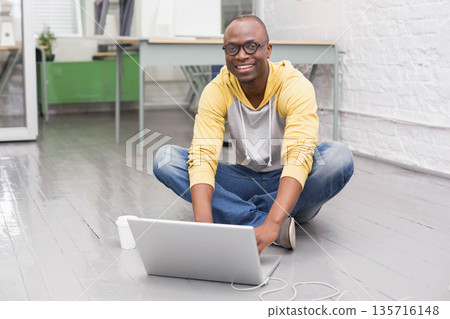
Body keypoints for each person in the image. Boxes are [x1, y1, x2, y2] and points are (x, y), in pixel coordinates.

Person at [153, 15, 354, 255]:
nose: (240, 55)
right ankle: (258, 219)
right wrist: (204, 226)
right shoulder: (217, 89)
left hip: (293, 185)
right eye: (232, 48)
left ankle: (241, 213)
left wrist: (274, 220)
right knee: (166, 159)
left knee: (339, 157)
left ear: (268, 50)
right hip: (245, 179)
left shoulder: (294, 85)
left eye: (251, 46)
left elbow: (299, 156)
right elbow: (203, 155)